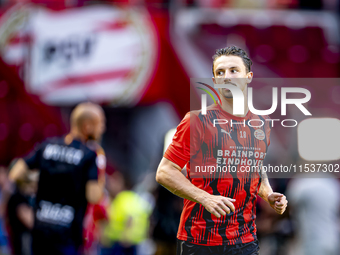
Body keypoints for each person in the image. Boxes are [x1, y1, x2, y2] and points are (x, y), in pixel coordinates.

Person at [156, 46, 288, 255]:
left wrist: (268, 193)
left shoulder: (262, 123)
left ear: (248, 76)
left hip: (246, 240)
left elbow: (254, 166)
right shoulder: (197, 120)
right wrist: (205, 198)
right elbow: (165, 172)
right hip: (200, 241)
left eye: (234, 70)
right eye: (220, 72)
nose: (227, 76)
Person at [9, 102, 106, 255]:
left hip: (41, 228)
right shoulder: (89, 155)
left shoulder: (48, 145)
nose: (102, 129)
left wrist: (38, 182)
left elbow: (15, 173)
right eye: (100, 124)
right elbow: (93, 196)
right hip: (68, 233)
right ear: (87, 126)